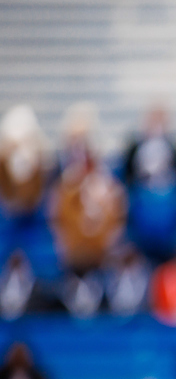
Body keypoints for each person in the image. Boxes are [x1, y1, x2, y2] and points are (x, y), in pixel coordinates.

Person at [48, 103, 127, 317]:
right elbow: (57, 223)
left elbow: (115, 221)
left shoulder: (107, 184)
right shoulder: (59, 184)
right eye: (74, 140)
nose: (80, 147)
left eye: (84, 140)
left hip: (100, 264)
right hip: (70, 265)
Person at [120, 102, 176, 264]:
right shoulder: (134, 148)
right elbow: (127, 179)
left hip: (167, 218)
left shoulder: (174, 148)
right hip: (143, 215)